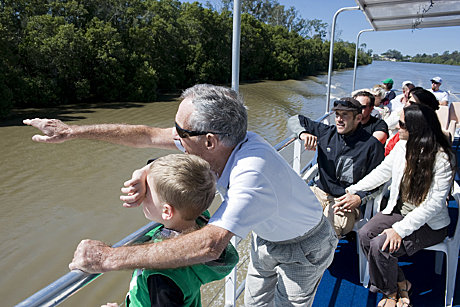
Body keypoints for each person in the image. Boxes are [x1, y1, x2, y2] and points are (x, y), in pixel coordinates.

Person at [24, 84, 338, 307]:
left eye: (181, 132)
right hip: (266, 236)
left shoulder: (251, 174)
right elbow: (147, 136)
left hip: (305, 245)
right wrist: (73, 132)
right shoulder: (221, 141)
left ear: (211, 141)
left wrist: (108, 258)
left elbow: (210, 245)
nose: (174, 136)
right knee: (255, 302)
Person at [338, 104, 454, 307]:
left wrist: (398, 230)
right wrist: (354, 190)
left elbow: (434, 204)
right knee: (365, 235)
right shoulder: (402, 146)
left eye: (401, 124)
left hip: (430, 224)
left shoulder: (442, 158)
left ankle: (390, 294)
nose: (396, 128)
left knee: (379, 245)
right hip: (400, 211)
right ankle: (401, 283)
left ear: (416, 129)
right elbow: (382, 172)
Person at [103, 154, 238, 307]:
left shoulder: (162, 276)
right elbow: (188, 172)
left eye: (147, 191)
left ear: (167, 211)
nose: (142, 194)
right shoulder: (199, 219)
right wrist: (142, 173)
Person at [288, 97, 384, 237]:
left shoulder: (371, 146)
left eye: (345, 115)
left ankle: (320, 257)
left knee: (328, 230)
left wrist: (359, 198)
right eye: (337, 114)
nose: (339, 119)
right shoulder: (326, 133)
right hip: (320, 192)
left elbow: (378, 181)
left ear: (358, 118)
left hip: (346, 200)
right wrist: (303, 134)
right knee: (292, 214)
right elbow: (294, 119)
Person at [385, 87, 440, 156]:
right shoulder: (400, 145)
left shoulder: (430, 146)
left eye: (412, 103)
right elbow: (387, 124)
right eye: (408, 100)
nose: (407, 104)